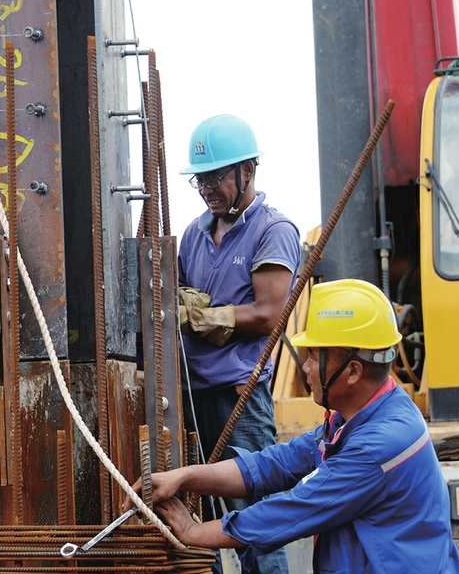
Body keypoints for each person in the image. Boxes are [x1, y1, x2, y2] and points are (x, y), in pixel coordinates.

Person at [137, 279, 459, 573]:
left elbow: (294, 510)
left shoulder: (379, 444)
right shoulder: (367, 412)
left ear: (351, 372)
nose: (305, 368)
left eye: (313, 356)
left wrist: (193, 532)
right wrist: (183, 477)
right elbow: (275, 465)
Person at [177, 114, 299, 573]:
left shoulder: (273, 229)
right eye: (200, 179)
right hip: (195, 397)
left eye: (217, 177)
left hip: (239, 399)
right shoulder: (193, 233)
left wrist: (207, 317)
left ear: (248, 171)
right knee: (198, 522)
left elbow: (269, 314)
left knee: (255, 524)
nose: (208, 188)